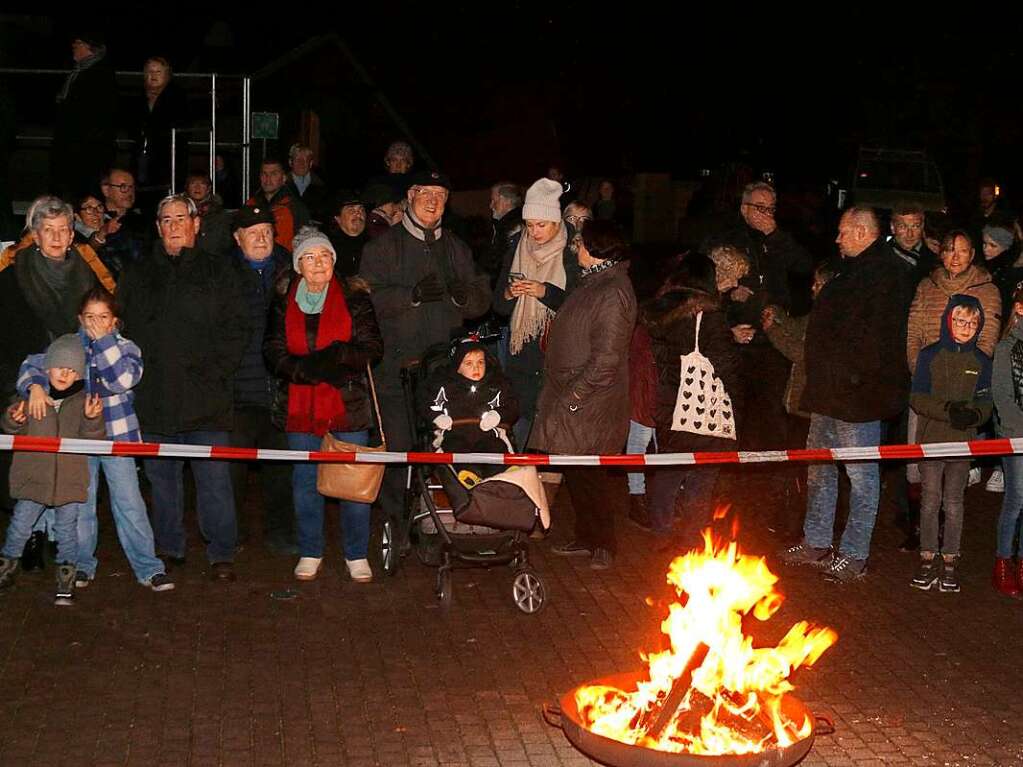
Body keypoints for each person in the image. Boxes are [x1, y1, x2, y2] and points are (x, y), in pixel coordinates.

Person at [117, 194, 250, 582]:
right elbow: (121, 328)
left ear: (196, 224)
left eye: (181, 218)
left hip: (207, 397)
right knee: (162, 480)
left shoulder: (220, 271)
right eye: (166, 220)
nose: (174, 226)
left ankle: (222, 551)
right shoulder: (138, 274)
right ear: (158, 227)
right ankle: (169, 546)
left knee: (214, 481)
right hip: (155, 397)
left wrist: (216, 372)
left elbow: (237, 328)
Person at [781, 207, 911, 582]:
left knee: (861, 475)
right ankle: (817, 541)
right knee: (820, 469)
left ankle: (854, 554)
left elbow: (878, 340)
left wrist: (853, 378)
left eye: (841, 232)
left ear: (860, 231)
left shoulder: (885, 275)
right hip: (828, 392)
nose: (836, 239)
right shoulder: (856, 270)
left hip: (855, 398)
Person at [17, 288, 174, 592]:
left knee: (129, 502)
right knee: (81, 504)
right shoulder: (69, 345)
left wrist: (104, 342)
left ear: (114, 321)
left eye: (103, 318)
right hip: (79, 439)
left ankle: (148, 567)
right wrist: (35, 387)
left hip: (118, 437)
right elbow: (31, 365)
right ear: (80, 318)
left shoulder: (128, 348)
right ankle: (81, 565)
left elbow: (122, 381)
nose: (96, 324)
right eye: (90, 318)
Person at [360, 170, 491, 523]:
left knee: (447, 446)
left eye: (440, 195)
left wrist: (469, 299)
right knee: (400, 449)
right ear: (410, 196)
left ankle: (445, 519)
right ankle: (397, 523)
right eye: (425, 193)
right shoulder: (382, 247)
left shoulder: (455, 248)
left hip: (443, 371)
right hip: (396, 371)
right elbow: (365, 299)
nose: (433, 201)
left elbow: (481, 294)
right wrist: (410, 297)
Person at [264, 227, 383, 583]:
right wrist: (300, 370)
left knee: (353, 482)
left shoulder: (355, 299)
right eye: (311, 257)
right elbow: (272, 350)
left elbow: (373, 348)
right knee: (304, 481)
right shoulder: (282, 301)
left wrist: (338, 358)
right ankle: (310, 550)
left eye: (325, 256)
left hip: (348, 403)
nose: (319, 264)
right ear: (298, 264)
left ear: (334, 261)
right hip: (300, 402)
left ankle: (357, 553)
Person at [531, 220, 636, 570]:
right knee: (576, 472)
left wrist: (575, 396)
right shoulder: (593, 282)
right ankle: (585, 537)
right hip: (574, 398)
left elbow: (607, 358)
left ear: (596, 249)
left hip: (590, 402)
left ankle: (603, 544)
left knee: (591, 476)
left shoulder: (613, 291)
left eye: (580, 243)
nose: (575, 248)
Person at [640, 253, 741, 548]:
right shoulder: (707, 316)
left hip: (669, 406)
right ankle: (692, 538)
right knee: (703, 475)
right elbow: (726, 365)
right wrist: (738, 403)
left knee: (670, 471)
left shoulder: (658, 314)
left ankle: (660, 530)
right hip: (702, 409)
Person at [706, 181, 812, 459]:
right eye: (759, 208)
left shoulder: (778, 238)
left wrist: (774, 234)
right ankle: (730, 462)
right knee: (733, 406)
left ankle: (773, 464)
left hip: (772, 338)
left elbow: (804, 267)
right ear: (744, 208)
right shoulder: (725, 237)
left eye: (771, 208)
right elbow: (706, 281)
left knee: (773, 406)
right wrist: (729, 293)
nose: (766, 213)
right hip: (736, 336)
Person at [0, 335, 105, 605]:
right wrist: (14, 418)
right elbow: (10, 426)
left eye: (72, 370)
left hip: (69, 482)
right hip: (34, 479)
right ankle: (5, 569)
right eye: (60, 367)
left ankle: (65, 580)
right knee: (20, 526)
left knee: (67, 531)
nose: (65, 374)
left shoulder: (83, 403)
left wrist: (93, 420)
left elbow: (94, 440)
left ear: (79, 375)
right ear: (47, 367)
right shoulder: (31, 396)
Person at [908, 295, 991, 593]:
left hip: (962, 443)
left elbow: (986, 400)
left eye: (973, 322)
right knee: (930, 499)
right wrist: (946, 410)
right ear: (948, 320)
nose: (966, 327)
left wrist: (974, 415)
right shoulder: (930, 355)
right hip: (931, 440)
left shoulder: (981, 361)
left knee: (954, 502)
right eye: (960, 320)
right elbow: (917, 396)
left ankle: (951, 559)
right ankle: (927, 557)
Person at [227, 205, 297, 554]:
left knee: (281, 471)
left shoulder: (292, 271)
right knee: (232, 473)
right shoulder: (222, 275)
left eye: (266, 231)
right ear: (237, 238)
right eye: (252, 232)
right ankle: (234, 535)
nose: (260, 238)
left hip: (280, 390)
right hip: (239, 392)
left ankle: (281, 534)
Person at [492, 178, 577, 447]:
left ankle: (547, 482)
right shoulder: (517, 245)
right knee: (521, 423)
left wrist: (545, 292)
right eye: (530, 225)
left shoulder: (573, 248)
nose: (535, 232)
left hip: (558, 351)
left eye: (542, 225)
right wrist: (509, 293)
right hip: (522, 352)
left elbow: (579, 307)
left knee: (553, 430)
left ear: (556, 222)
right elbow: (498, 305)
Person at [762, 262, 837, 539]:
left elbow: (800, 351)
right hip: (797, 406)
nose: (813, 288)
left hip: (811, 409)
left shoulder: (831, 320)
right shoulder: (817, 315)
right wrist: (778, 315)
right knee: (794, 468)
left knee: (806, 473)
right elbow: (797, 328)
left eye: (818, 284)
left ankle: (801, 529)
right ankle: (791, 522)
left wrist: (772, 330)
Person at [419, 336, 520, 467]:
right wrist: (436, 417)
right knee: (455, 449)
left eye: (480, 362)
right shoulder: (443, 385)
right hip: (455, 434)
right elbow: (424, 403)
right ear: (457, 367)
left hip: (488, 435)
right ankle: (467, 474)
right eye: (469, 363)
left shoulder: (497, 384)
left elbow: (512, 406)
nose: (476, 368)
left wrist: (498, 415)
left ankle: (499, 476)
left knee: (496, 448)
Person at [51, 32, 117, 200]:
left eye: (78, 43)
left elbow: (96, 113)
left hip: (87, 147)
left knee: (86, 191)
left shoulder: (99, 73)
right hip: (76, 144)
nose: (74, 45)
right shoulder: (80, 71)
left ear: (90, 47)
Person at [992, 286, 1023, 597]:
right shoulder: (1006, 349)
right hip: (1016, 437)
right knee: (1016, 500)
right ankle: (1003, 561)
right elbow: (1004, 400)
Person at [133, 56, 188, 206]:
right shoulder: (139, 96)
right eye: (150, 71)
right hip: (141, 156)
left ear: (167, 74)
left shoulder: (177, 96)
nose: (153, 75)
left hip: (168, 159)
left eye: (158, 71)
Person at [247, 157, 309, 250]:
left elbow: (304, 243)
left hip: (284, 262)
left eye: (273, 174)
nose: (268, 179)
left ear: (284, 178)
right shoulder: (250, 205)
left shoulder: (295, 208)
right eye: (264, 174)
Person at [100, 168, 150, 277]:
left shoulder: (144, 221)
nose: (130, 192)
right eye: (123, 187)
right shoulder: (98, 220)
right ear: (106, 190)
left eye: (132, 187)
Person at [185, 174, 233, 256]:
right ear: (187, 187)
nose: (197, 187)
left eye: (202, 184)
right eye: (193, 183)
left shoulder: (220, 215)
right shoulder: (180, 213)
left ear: (208, 189)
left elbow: (226, 245)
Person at [285, 143, 330, 224]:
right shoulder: (280, 185)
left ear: (311, 163)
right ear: (290, 162)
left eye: (306, 160)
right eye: (298, 160)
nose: (302, 163)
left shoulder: (322, 186)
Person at [327, 190, 368, 277]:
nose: (358, 213)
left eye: (361, 209)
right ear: (338, 218)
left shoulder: (375, 244)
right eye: (351, 210)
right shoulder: (328, 247)